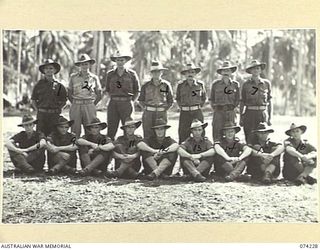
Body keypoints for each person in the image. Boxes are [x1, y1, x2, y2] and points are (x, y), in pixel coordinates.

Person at [104, 51, 140, 140]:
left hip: (127, 103)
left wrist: (131, 101)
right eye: (118, 60)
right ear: (115, 61)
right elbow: (107, 89)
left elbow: (137, 90)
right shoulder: (110, 74)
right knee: (111, 128)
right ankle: (110, 150)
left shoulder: (132, 74)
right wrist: (113, 99)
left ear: (125, 61)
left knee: (128, 128)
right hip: (113, 103)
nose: (120, 62)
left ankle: (128, 150)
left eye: (122, 60)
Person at [68, 54, 102, 138]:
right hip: (76, 104)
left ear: (89, 65)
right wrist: (75, 103)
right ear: (79, 65)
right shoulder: (73, 77)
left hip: (89, 105)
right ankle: (73, 149)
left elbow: (99, 93)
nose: (84, 66)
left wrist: (93, 104)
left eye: (86, 64)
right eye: (82, 64)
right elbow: (69, 92)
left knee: (91, 128)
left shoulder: (94, 78)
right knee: (75, 130)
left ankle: (88, 150)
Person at [31, 59, 67, 136]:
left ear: (55, 70)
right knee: (40, 136)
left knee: (53, 136)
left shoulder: (59, 86)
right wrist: (38, 110)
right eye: (46, 68)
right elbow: (33, 100)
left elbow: (64, 100)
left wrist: (59, 109)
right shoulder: (38, 85)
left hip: (54, 115)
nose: (48, 70)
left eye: (51, 68)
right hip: (42, 115)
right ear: (43, 70)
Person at [240, 60, 272, 143]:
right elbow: (242, 101)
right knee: (249, 136)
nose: (256, 70)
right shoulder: (246, 84)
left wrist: (270, 118)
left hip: (262, 113)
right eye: (253, 69)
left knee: (262, 137)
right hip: (249, 113)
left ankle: (261, 155)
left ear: (261, 70)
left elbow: (269, 101)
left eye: (258, 68)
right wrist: (241, 117)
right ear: (250, 71)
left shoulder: (266, 83)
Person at [138, 61, 173, 138]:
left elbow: (170, 101)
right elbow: (140, 100)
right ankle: (148, 150)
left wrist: (164, 109)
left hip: (161, 113)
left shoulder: (166, 85)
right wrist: (147, 109)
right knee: (148, 134)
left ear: (162, 72)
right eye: (154, 72)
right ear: (151, 73)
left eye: (158, 71)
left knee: (160, 135)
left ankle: (159, 150)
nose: (156, 73)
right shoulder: (146, 85)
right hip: (148, 113)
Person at [176, 63, 207, 144]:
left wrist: (197, 106)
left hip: (197, 112)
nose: (190, 74)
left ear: (195, 74)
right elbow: (178, 98)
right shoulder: (180, 85)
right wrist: (184, 107)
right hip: (185, 113)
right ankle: (184, 155)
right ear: (185, 74)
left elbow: (204, 98)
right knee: (183, 135)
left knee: (200, 134)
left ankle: (201, 154)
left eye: (192, 72)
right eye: (188, 72)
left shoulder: (200, 85)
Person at [210, 61, 240, 141]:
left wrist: (232, 108)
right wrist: (216, 109)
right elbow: (211, 99)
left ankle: (231, 152)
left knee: (231, 134)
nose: (226, 73)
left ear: (231, 72)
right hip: (219, 112)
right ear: (221, 72)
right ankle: (217, 152)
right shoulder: (215, 84)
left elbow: (238, 99)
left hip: (230, 112)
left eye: (228, 70)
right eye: (224, 70)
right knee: (217, 133)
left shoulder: (235, 85)